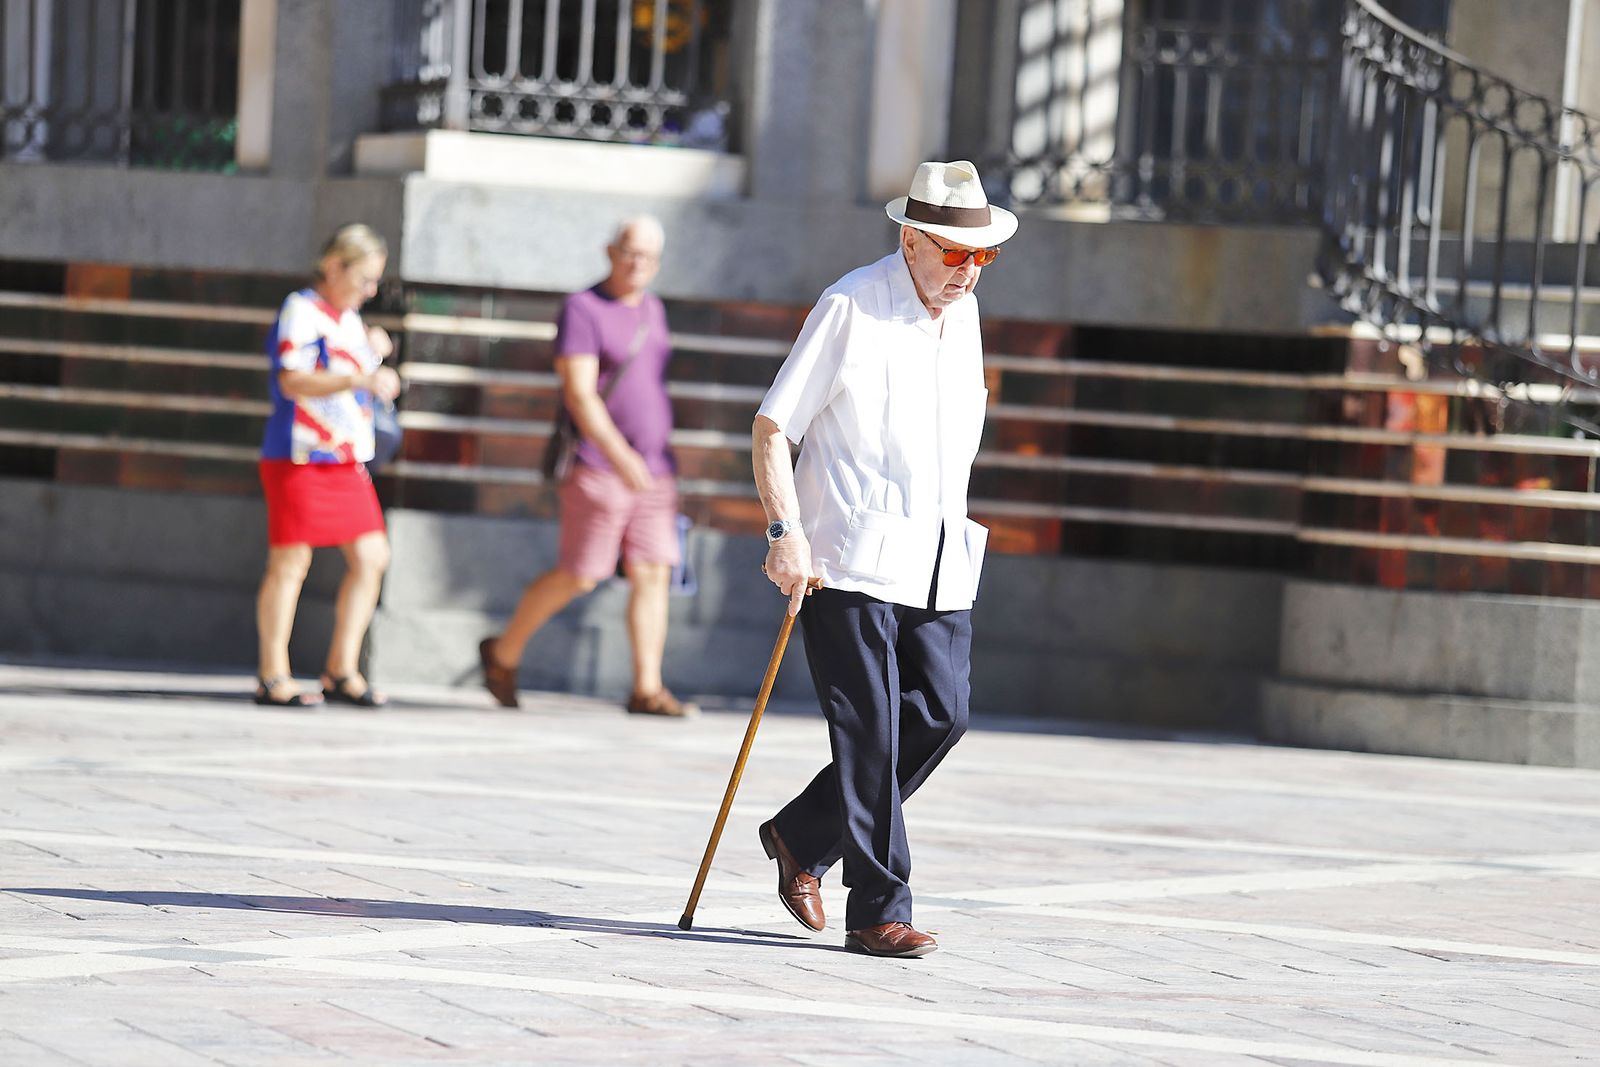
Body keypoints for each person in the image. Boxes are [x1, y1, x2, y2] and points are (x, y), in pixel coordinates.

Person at [751, 161, 1017, 958]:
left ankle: (800, 833)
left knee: (941, 714)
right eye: (955, 254)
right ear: (910, 239)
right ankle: (878, 908)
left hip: (937, 557)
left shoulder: (962, 316)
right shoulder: (851, 305)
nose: (969, 272)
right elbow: (773, 429)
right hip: (845, 556)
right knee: (869, 730)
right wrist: (783, 533)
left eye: (983, 258)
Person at [479, 216, 697, 717]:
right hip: (600, 465)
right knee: (581, 575)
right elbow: (579, 393)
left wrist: (648, 457)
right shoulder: (583, 308)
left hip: (655, 470)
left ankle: (647, 688)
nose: (636, 262)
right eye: (628, 251)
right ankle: (503, 652)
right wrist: (621, 456)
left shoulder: (654, 309)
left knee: (653, 573)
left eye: (647, 256)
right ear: (610, 251)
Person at [254, 224, 402, 708]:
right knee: (291, 561)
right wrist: (359, 377)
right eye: (363, 278)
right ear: (334, 266)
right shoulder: (301, 309)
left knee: (371, 555)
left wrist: (376, 363)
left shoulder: (350, 319)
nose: (369, 290)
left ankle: (341, 668)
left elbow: (356, 373)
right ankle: (273, 673)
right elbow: (293, 380)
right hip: (299, 453)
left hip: (344, 456)